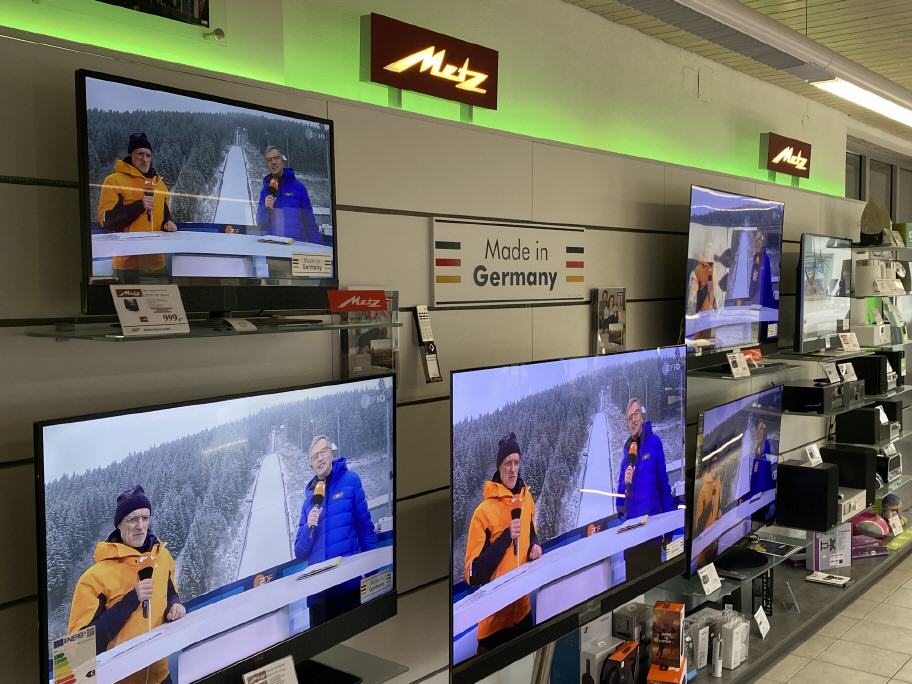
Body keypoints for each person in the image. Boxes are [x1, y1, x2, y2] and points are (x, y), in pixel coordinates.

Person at [68, 485, 184, 684]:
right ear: (119, 525)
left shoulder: (162, 556)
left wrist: (174, 606)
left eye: (145, 518)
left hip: (161, 676)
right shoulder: (94, 578)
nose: (140, 526)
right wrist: (131, 600)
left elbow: (170, 593)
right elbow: (77, 653)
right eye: (132, 519)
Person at [464, 432, 543, 653]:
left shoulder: (527, 499)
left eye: (516, 462)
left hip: (524, 615)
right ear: (499, 467)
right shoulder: (483, 512)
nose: (512, 469)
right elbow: (472, 574)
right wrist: (506, 537)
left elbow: (531, 533)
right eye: (507, 463)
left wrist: (535, 546)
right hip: (494, 627)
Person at [294, 435, 377, 622]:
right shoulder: (308, 503)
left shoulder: (351, 481)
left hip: (349, 585)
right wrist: (308, 528)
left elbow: (365, 529)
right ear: (311, 465)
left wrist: (372, 572)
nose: (319, 458)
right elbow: (299, 552)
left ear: (331, 453)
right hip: (318, 595)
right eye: (314, 456)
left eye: (323, 452)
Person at [97, 132, 177, 280]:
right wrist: (139, 206)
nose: (144, 159)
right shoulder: (114, 181)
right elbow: (106, 221)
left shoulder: (160, 185)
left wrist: (168, 222)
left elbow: (165, 212)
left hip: (157, 265)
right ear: (131, 155)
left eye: (148, 155)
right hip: (127, 267)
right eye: (140, 154)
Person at [616, 399, 676, 579]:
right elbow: (619, 505)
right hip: (632, 542)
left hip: (652, 537)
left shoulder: (654, 443)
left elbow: (663, 487)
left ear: (642, 416)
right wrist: (624, 483)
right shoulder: (626, 458)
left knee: (653, 586)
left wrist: (669, 529)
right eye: (629, 418)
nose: (633, 420)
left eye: (635, 414)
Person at [255, 146, 321, 244]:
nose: (273, 162)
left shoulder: (299, 188)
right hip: (272, 247)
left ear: (282, 161)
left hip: (295, 247)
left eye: (276, 158)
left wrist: (317, 248)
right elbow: (261, 225)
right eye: (269, 160)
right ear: (267, 165)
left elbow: (310, 223)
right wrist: (265, 209)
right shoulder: (265, 191)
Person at [749, 229, 776, 308]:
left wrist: (770, 302)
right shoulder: (752, 258)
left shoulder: (765, 258)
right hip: (754, 302)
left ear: (762, 241)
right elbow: (752, 282)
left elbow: (768, 282)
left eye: (759, 239)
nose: (758, 242)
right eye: (756, 240)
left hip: (765, 303)